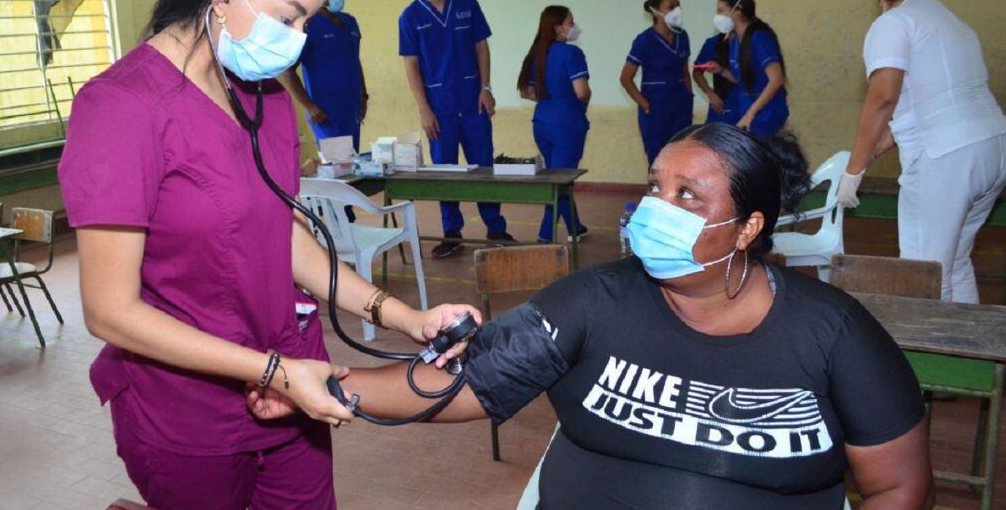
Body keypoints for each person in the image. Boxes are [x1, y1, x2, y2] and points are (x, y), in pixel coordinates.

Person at [255, 123, 935, 510]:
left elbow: (899, 486)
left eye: (688, 197)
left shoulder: (832, 333)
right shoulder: (595, 300)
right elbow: (465, 382)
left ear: (748, 226)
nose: (656, 208)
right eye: (654, 187)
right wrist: (324, 384)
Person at [57, 0, 476, 510]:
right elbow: (110, 311)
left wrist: (401, 316)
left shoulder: (263, 98)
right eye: (289, 16)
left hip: (293, 389)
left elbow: (280, 237)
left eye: (308, 20)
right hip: (189, 410)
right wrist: (271, 370)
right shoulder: (122, 109)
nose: (298, 40)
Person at [839, 0, 1006, 304]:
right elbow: (912, 117)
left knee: (922, 271)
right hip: (993, 148)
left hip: (944, 157)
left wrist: (853, 171)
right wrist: (864, 158)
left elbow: (883, 98)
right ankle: (968, 350)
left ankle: (929, 355)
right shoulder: (956, 25)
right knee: (954, 261)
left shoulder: (893, 22)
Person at [399, 0, 513, 258]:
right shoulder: (410, 17)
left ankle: (496, 227)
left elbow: (481, 47)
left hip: (473, 102)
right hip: (439, 107)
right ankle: (452, 232)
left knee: (483, 166)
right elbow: (411, 65)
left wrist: (486, 87)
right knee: (445, 172)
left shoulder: (466, 3)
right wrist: (424, 109)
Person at [517, 5, 591, 243]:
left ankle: (575, 227)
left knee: (559, 175)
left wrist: (551, 98)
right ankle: (545, 236)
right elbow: (581, 92)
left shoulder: (537, 53)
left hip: (542, 122)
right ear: (558, 28)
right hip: (567, 124)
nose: (574, 26)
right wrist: (578, 102)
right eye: (570, 22)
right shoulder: (572, 54)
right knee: (559, 182)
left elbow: (527, 92)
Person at [283, 0, 368, 153]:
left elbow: (355, 60)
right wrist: (309, 106)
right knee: (337, 167)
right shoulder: (307, 25)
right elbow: (288, 71)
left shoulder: (350, 22)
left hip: (352, 108)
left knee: (352, 164)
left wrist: (363, 95)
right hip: (325, 112)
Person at [619, 0, 693, 164]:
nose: (677, 10)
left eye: (678, 5)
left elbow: (685, 70)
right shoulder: (644, 41)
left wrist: (689, 96)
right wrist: (644, 105)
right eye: (671, 6)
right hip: (656, 110)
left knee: (682, 158)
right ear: (656, 11)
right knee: (658, 161)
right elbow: (625, 78)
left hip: (681, 107)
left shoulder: (682, 37)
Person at [703, 0, 789, 136]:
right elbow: (743, 79)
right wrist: (721, 71)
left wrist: (751, 114)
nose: (717, 16)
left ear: (738, 10)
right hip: (748, 112)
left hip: (766, 114)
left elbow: (776, 80)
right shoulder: (735, 40)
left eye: (721, 10)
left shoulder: (760, 37)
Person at [693, 29, 735, 124]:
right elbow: (697, 72)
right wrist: (710, 93)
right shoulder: (713, 43)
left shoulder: (753, 42)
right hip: (720, 103)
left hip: (746, 102)